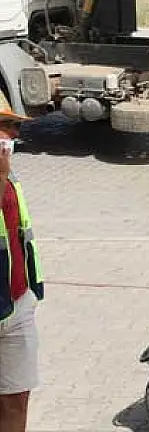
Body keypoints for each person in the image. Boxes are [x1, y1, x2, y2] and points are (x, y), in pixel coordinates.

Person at [0, 107, 41, 432]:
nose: (14, 134)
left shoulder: (10, 175)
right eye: (6, 126)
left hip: (16, 305)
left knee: (16, 400)